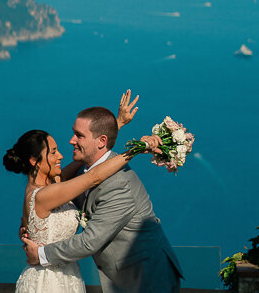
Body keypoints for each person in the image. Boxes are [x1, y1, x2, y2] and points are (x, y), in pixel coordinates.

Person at [21, 103, 183, 293]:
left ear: (101, 141)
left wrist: (40, 254)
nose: (72, 140)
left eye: (79, 135)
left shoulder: (119, 185)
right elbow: (48, 197)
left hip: (145, 279)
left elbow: (90, 241)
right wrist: (33, 225)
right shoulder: (82, 170)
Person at [4, 92, 152, 293]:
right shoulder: (46, 195)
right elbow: (94, 177)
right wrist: (137, 149)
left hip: (67, 276)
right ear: (34, 161)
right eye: (53, 152)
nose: (61, 155)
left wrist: (117, 123)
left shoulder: (55, 184)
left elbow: (91, 153)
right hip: (49, 282)